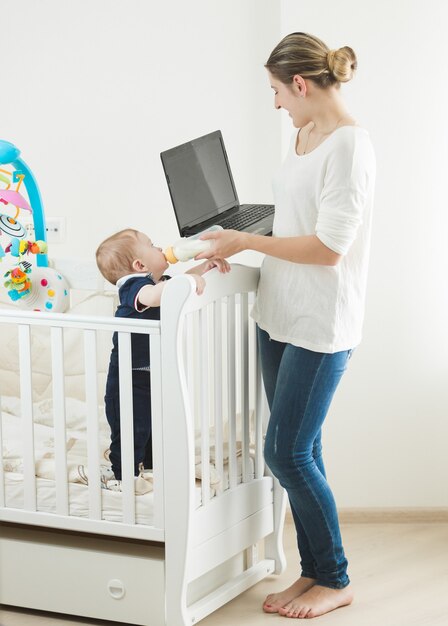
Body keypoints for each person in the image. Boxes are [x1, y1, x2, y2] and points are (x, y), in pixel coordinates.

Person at [196, 32, 375, 619]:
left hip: (321, 323)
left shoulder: (349, 147)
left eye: (276, 91)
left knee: (287, 452)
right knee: (306, 449)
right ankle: (315, 570)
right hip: (279, 312)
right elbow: (296, 216)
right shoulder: (302, 133)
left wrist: (248, 239)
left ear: (300, 84)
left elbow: (329, 248)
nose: (274, 103)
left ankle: (337, 576)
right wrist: (238, 241)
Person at [96, 228, 230, 485]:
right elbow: (155, 296)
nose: (161, 248)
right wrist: (189, 283)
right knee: (131, 429)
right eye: (153, 245)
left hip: (151, 373)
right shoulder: (134, 287)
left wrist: (204, 268)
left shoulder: (157, 283)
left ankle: (151, 469)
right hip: (128, 380)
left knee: (152, 426)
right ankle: (124, 477)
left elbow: (175, 287)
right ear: (140, 264)